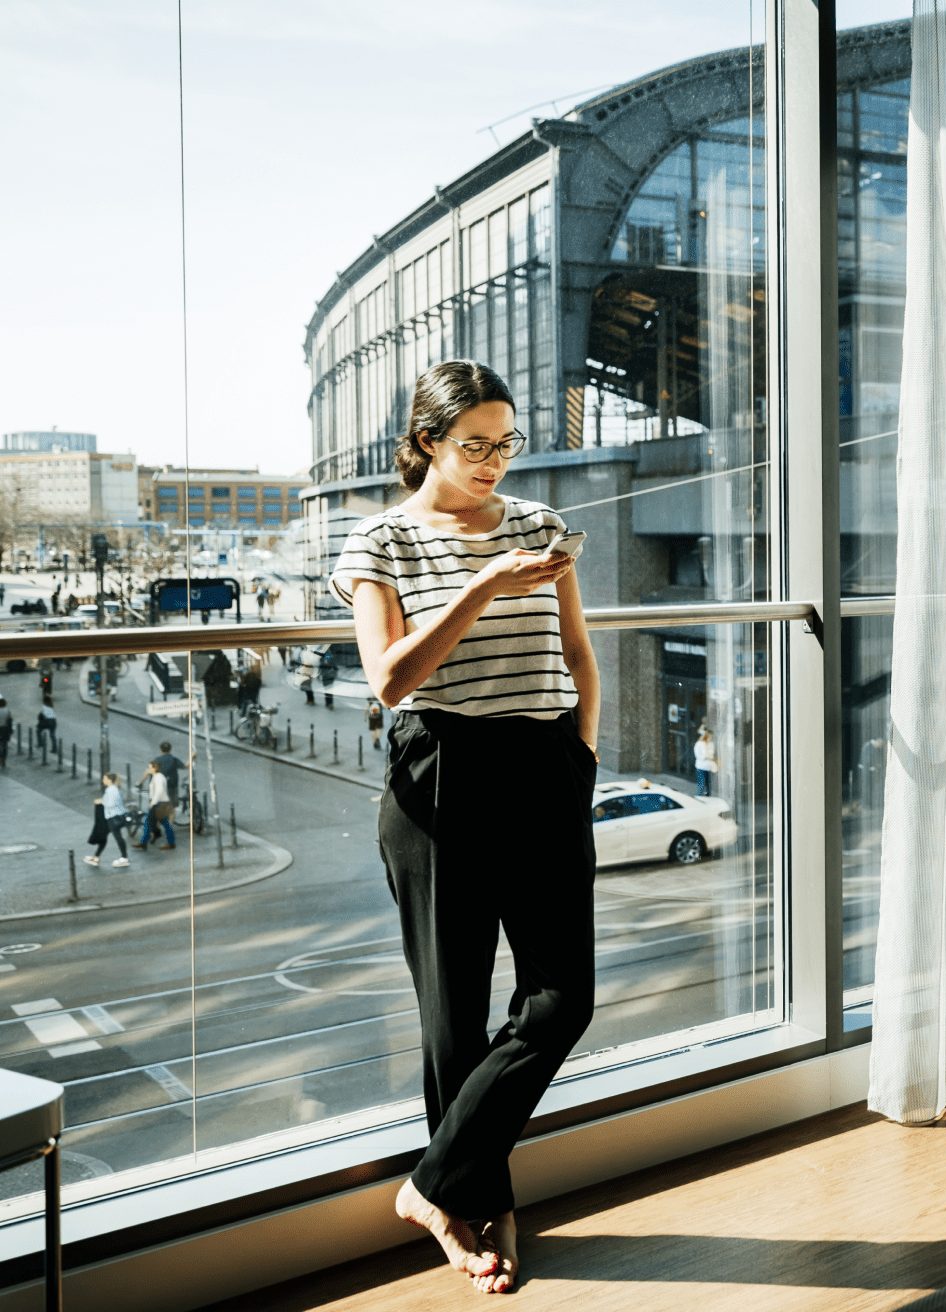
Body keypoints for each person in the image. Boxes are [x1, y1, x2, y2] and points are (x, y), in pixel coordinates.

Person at [332, 359, 599, 1295]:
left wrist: (583, 750)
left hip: (544, 762)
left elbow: (574, 648)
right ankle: (475, 1211)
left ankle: (433, 1184)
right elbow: (390, 678)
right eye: (474, 444)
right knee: (454, 1016)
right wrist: (485, 586)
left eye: (506, 442)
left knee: (563, 998)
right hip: (438, 773)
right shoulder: (381, 541)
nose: (493, 462)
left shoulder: (539, 526)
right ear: (427, 444)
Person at [86, 771, 131, 868]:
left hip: (114, 817)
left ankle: (124, 858)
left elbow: (110, 804)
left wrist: (101, 801)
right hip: (114, 817)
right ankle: (96, 857)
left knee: (117, 837)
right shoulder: (113, 789)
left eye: (104, 779)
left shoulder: (111, 790)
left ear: (109, 780)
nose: (103, 780)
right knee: (105, 836)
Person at [134, 762, 175, 852]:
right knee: (162, 823)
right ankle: (167, 841)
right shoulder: (156, 777)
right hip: (161, 803)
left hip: (160, 804)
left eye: (149, 767)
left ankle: (148, 840)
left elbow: (159, 791)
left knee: (150, 822)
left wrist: (153, 803)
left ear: (155, 768)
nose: (148, 769)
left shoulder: (158, 778)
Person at [694, 724, 718, 796]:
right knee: (701, 785)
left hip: (708, 767)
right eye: (710, 737)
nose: (711, 738)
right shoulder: (699, 744)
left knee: (708, 786)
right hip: (700, 767)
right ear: (706, 736)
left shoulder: (711, 744)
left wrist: (708, 756)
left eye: (711, 737)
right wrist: (707, 757)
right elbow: (699, 756)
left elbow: (711, 754)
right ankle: (698, 799)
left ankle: (707, 799)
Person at [0, 695, 10, 768]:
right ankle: (4, 759)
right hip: (5, 730)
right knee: (5, 745)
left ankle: (0, 758)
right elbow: (9, 721)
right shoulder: (7, 711)